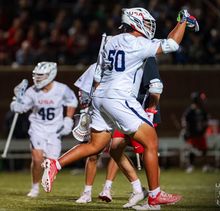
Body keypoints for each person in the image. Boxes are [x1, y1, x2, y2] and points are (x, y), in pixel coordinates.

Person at [41, 8, 198, 210]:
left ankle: (56, 164)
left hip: (100, 96)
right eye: (147, 23)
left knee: (96, 146)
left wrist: (89, 108)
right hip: (119, 97)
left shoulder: (111, 41)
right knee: (151, 141)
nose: (150, 27)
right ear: (136, 23)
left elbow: (98, 74)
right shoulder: (139, 43)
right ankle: (155, 195)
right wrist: (182, 21)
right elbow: (173, 44)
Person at [74, 57, 162, 208]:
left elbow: (156, 86)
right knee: (114, 149)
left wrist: (151, 111)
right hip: (121, 109)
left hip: (140, 111)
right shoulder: (117, 62)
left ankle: (155, 195)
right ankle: (134, 189)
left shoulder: (145, 56)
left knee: (147, 151)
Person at [10, 62, 78, 197]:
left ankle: (45, 182)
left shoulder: (62, 89)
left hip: (55, 130)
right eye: (36, 75)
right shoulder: (32, 91)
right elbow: (22, 107)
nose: (38, 78)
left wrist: (68, 119)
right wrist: (16, 104)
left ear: (51, 75)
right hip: (37, 128)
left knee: (51, 163)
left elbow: (72, 101)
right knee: (37, 159)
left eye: (41, 76)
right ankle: (35, 187)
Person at [181, 91, 208, 173]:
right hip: (192, 134)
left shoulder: (202, 110)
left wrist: (204, 128)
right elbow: (184, 120)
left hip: (200, 133)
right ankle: (191, 165)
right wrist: (186, 128)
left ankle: (204, 165)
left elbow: (206, 120)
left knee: (203, 150)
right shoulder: (190, 110)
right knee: (191, 150)